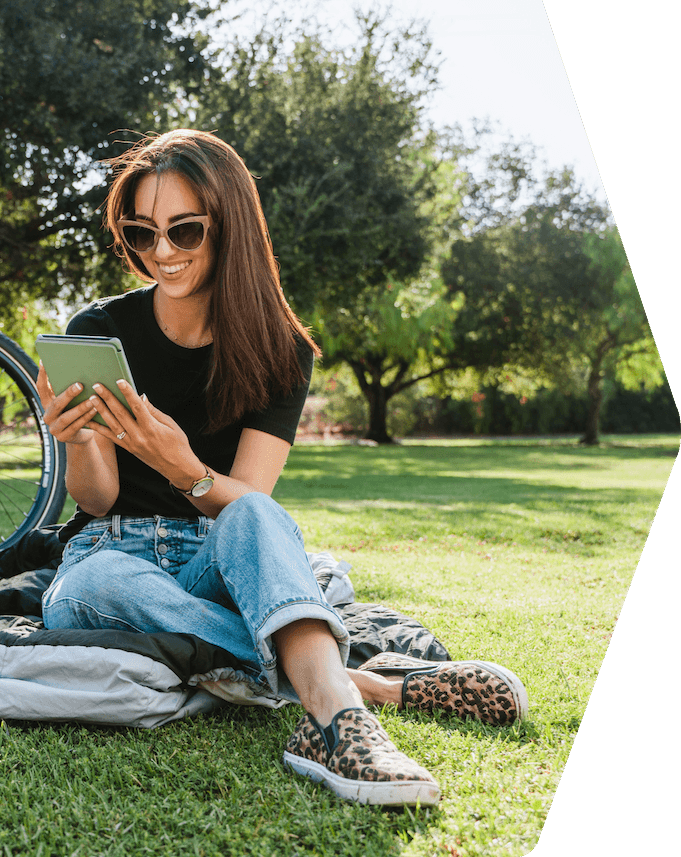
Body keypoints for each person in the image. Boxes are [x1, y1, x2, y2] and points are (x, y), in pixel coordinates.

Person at [35, 129, 527, 808]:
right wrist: (79, 440)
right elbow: (97, 498)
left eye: (185, 231)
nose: (161, 254)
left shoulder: (279, 349)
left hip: (217, 556)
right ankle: (352, 683)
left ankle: (326, 719)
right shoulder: (98, 327)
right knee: (96, 584)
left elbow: (248, 505)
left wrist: (184, 469)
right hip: (111, 552)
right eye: (141, 232)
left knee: (257, 514)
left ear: (229, 226)